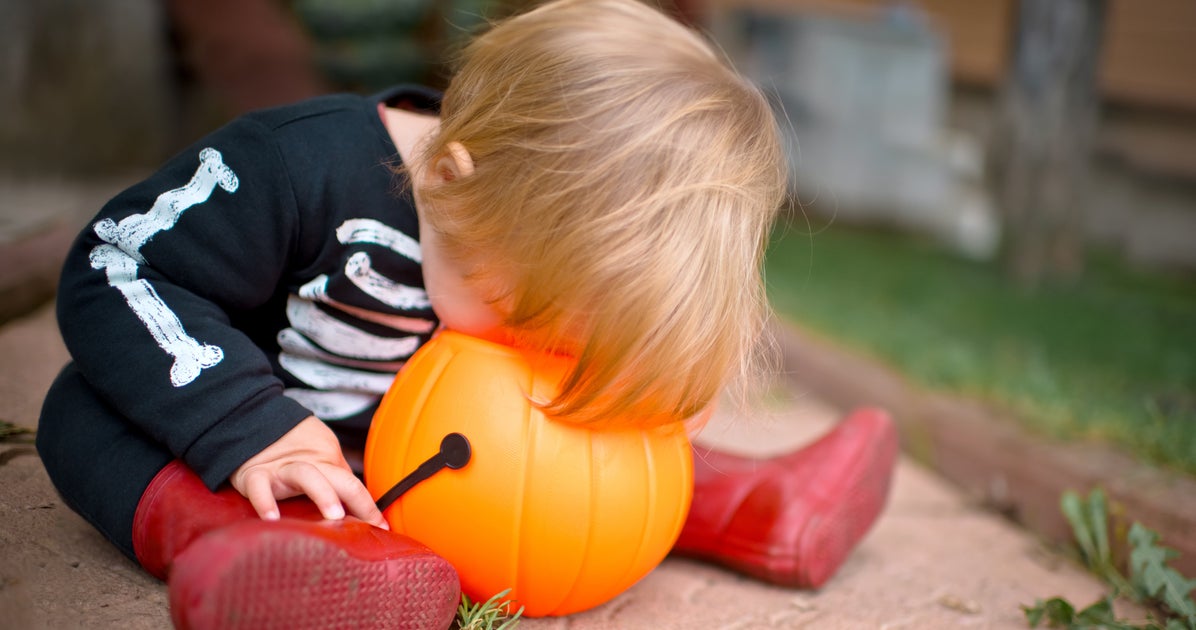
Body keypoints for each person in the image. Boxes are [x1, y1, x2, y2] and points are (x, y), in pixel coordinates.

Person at [37, 0, 898, 627]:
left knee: (594, 413)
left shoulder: (515, 238)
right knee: (83, 411)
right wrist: (246, 422)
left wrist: (647, 379)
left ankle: (756, 504)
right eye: (528, 316)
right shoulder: (294, 172)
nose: (527, 346)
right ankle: (287, 559)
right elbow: (116, 262)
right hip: (288, 453)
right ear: (448, 178)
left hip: (452, 470)